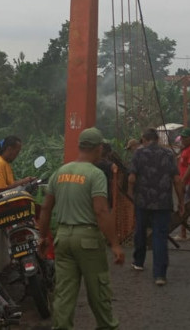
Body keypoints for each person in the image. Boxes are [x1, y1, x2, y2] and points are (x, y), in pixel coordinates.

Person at [37, 127, 125, 330]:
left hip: (63, 238)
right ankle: (107, 326)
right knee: (98, 290)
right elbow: (101, 211)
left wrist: (43, 237)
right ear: (99, 148)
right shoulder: (95, 175)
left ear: (79, 147)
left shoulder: (60, 172)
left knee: (64, 294)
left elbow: (46, 208)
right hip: (88, 240)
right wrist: (114, 244)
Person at [128, 127, 184, 286]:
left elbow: (131, 179)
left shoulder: (138, 153)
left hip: (142, 202)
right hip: (163, 203)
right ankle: (160, 275)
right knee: (160, 236)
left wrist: (131, 195)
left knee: (140, 231)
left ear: (144, 140)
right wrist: (181, 202)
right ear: (157, 140)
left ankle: (138, 262)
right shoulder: (168, 154)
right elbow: (178, 181)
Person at [175, 127, 190, 241]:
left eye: (185, 138)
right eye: (182, 137)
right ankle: (183, 234)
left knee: (189, 206)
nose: (183, 139)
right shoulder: (185, 149)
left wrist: (183, 181)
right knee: (183, 206)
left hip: (189, 183)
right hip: (183, 182)